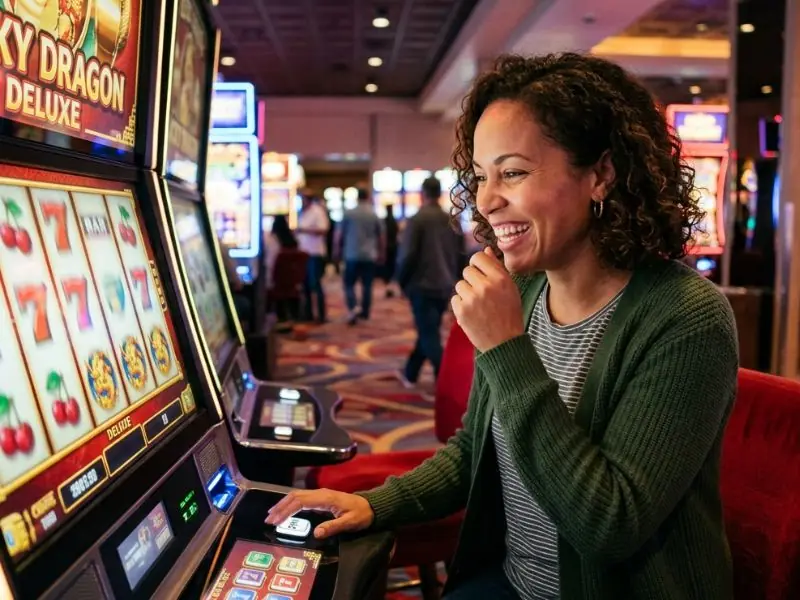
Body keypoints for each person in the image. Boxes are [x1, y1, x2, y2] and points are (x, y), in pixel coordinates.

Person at [265, 53, 738, 600]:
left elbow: (608, 526)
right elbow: (474, 451)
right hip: (512, 580)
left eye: (513, 172)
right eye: (481, 177)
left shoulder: (685, 316)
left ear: (601, 175)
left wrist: (507, 350)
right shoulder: (529, 291)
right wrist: (376, 503)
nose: (486, 202)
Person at [396, 176, 464, 385]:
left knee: (428, 333)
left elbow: (407, 255)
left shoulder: (417, 219)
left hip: (422, 284)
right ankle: (410, 372)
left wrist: (401, 281)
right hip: (445, 283)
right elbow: (460, 253)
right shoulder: (450, 219)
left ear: (422, 194)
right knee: (429, 329)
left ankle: (445, 376)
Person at [336, 187, 384, 325]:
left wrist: (336, 251)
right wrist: (381, 253)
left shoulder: (349, 213)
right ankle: (365, 312)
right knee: (367, 285)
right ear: (368, 196)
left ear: (357, 197)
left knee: (349, 284)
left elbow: (339, 235)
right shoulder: (374, 213)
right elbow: (381, 236)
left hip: (351, 254)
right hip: (369, 254)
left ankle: (353, 307)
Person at [296, 194, 330, 323]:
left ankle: (321, 315)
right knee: (305, 285)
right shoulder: (302, 213)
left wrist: (303, 230)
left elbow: (323, 230)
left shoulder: (317, 211)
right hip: (303, 253)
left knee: (315, 284)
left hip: (315, 253)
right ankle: (308, 314)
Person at [381, 210, 399, 297]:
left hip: (385, 247)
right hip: (393, 246)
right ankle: (390, 286)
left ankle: (388, 285)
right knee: (392, 267)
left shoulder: (384, 221)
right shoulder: (394, 221)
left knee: (386, 268)